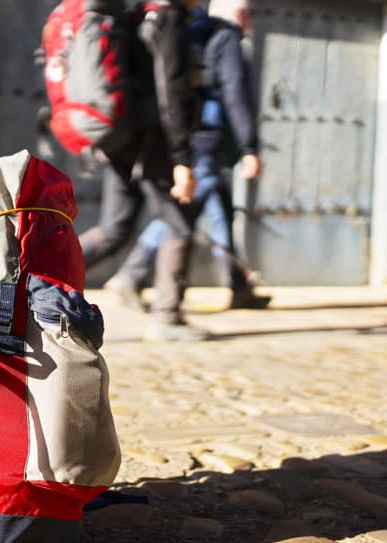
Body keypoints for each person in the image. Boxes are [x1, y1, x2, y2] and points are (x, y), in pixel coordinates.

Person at [105, 0, 270, 312]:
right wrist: (250, 147)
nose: (253, 20)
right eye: (251, 12)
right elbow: (234, 93)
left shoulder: (194, 29)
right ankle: (133, 275)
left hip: (192, 134)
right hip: (207, 138)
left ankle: (239, 285)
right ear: (241, 14)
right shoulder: (226, 37)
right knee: (180, 215)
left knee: (221, 210)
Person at [79, 0, 207, 341]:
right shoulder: (168, 19)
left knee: (113, 228)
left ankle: (30, 280)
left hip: (122, 137)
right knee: (179, 223)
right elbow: (172, 89)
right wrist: (182, 159)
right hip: (152, 140)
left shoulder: (135, 14)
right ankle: (167, 317)